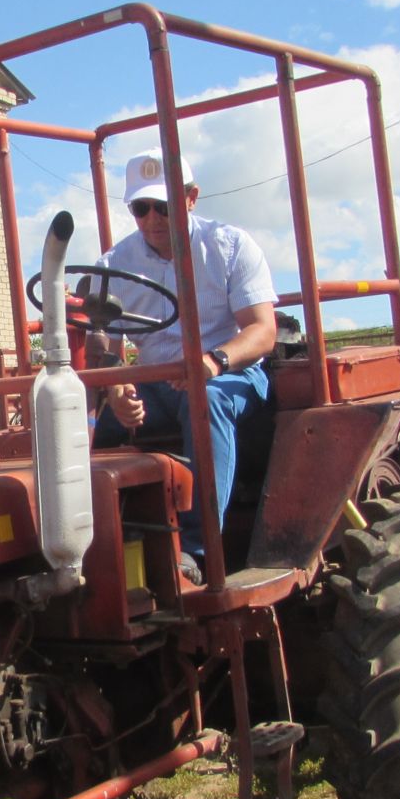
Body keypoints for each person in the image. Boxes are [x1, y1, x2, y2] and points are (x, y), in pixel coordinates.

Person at [91, 149, 276, 571]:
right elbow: (105, 342)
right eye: (141, 208)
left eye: (164, 206)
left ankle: (195, 550)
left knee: (205, 401)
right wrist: (117, 390)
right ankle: (95, 545)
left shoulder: (229, 246)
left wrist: (212, 362)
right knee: (89, 428)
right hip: (157, 384)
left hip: (230, 375)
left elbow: (262, 331)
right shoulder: (115, 264)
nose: (153, 219)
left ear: (191, 198)